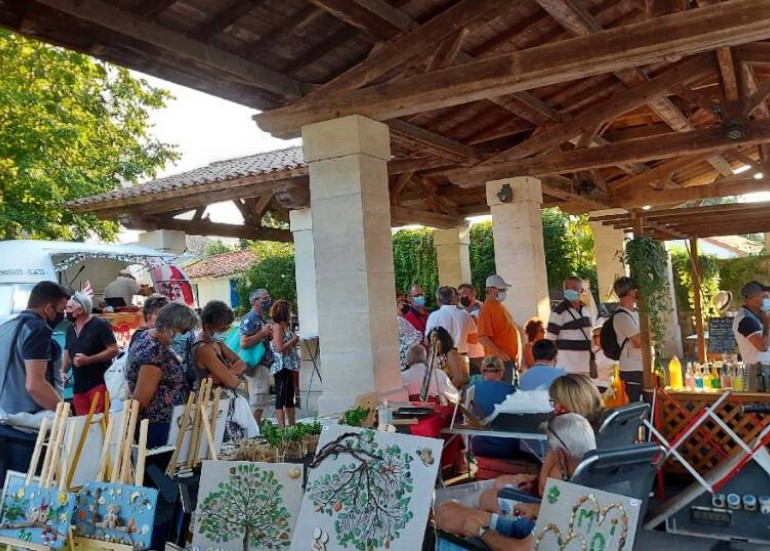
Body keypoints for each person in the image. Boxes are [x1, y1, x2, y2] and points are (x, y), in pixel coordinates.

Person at [435, 413, 597, 546]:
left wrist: (482, 532)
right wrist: (538, 509)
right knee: (450, 511)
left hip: (531, 540)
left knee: (448, 515)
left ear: (561, 455)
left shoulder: (567, 492)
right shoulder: (594, 478)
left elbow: (522, 549)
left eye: (550, 451)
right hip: (539, 528)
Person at [0, 281, 68, 487]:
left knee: (8, 498)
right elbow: (35, 385)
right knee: (31, 500)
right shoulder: (37, 329)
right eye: (62, 310)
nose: (64, 315)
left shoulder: (6, 325)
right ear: (48, 308)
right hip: (29, 430)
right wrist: (64, 412)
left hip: (5, 422)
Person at [126, 302, 198, 448]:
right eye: (183, 332)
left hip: (157, 423)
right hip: (157, 426)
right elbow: (141, 399)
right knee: (159, 469)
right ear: (169, 326)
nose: (184, 337)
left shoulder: (143, 335)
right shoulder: (156, 354)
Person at [192, 300, 248, 442]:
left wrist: (222, 375)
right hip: (215, 411)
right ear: (207, 327)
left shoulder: (217, 343)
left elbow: (242, 363)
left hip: (227, 408)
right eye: (222, 329)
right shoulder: (203, 349)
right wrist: (229, 376)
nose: (225, 332)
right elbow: (233, 382)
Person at [62, 292, 118, 415]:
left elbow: (114, 350)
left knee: (98, 423)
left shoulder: (99, 325)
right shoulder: (70, 329)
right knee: (82, 425)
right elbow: (67, 352)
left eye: (69, 308)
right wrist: (63, 371)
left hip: (98, 384)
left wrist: (88, 360)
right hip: (78, 388)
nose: (66, 311)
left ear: (80, 310)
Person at [467, 356, 516, 458]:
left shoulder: (472, 389)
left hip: (478, 445)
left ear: (482, 371)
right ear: (501, 372)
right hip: (507, 447)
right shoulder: (512, 390)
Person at [239, 289, 275, 423]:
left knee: (260, 400)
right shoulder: (250, 318)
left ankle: (254, 429)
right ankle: (253, 433)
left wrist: (267, 335)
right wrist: (263, 333)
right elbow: (243, 343)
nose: (268, 301)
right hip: (256, 365)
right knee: (257, 400)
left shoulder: (260, 319)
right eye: (264, 298)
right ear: (255, 301)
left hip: (261, 365)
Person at [477, 274, 520, 384]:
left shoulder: (499, 306)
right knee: (505, 395)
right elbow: (482, 337)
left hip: (508, 359)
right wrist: (502, 355)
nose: (504, 292)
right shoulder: (486, 309)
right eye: (501, 289)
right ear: (491, 290)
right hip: (499, 362)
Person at [546, 276, 594, 376]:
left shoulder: (586, 310)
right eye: (567, 288)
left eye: (574, 288)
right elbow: (550, 339)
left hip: (585, 367)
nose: (570, 291)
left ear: (581, 291)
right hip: (566, 369)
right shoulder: (558, 311)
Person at [613, 276, 645, 402]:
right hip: (632, 369)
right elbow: (640, 342)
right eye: (636, 290)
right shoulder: (621, 316)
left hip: (643, 366)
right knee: (637, 404)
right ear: (630, 292)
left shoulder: (636, 313)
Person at [270, 300, 300, 427]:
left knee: (289, 397)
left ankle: (292, 425)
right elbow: (279, 348)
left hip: (288, 366)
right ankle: (282, 428)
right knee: (281, 396)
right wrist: (293, 340)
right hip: (281, 367)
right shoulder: (278, 327)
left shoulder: (286, 327)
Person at [426, 286, 477, 356]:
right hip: (462, 357)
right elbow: (474, 340)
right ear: (454, 299)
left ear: (438, 300)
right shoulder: (465, 315)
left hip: (442, 359)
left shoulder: (434, 316)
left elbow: (428, 341)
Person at [733, 280, 770, 365]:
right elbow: (763, 346)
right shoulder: (746, 319)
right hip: (759, 372)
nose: (767, 300)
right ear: (750, 299)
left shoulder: (760, 315)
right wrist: (767, 325)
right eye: (764, 297)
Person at [458, 283, 485, 374]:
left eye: (464, 293)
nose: (461, 297)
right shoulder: (461, 312)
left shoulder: (483, 309)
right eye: (459, 294)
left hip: (480, 354)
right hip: (465, 355)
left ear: (473, 293)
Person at [396, 292, 423, 371]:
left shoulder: (401, 319)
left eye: (404, 301)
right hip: (405, 365)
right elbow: (415, 341)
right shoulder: (399, 320)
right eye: (400, 301)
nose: (403, 304)